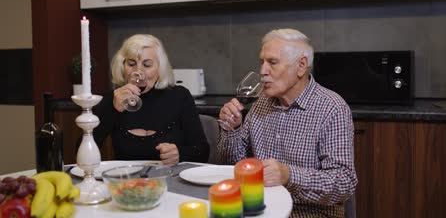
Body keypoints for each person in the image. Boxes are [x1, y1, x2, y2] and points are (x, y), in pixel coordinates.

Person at [218, 29, 357, 217]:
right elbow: (232, 164)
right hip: (262, 209)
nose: (262, 71)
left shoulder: (332, 108)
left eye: (272, 63)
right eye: (262, 62)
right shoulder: (261, 103)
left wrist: (289, 176)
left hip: (309, 213)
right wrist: (232, 129)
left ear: (301, 66)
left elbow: (343, 183)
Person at [92, 34, 209, 166]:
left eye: (147, 65)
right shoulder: (113, 98)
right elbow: (82, 152)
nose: (138, 72)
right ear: (122, 67)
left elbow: (203, 151)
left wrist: (179, 154)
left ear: (159, 68)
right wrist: (111, 110)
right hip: (126, 181)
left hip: (170, 179)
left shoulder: (179, 96)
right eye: (131, 64)